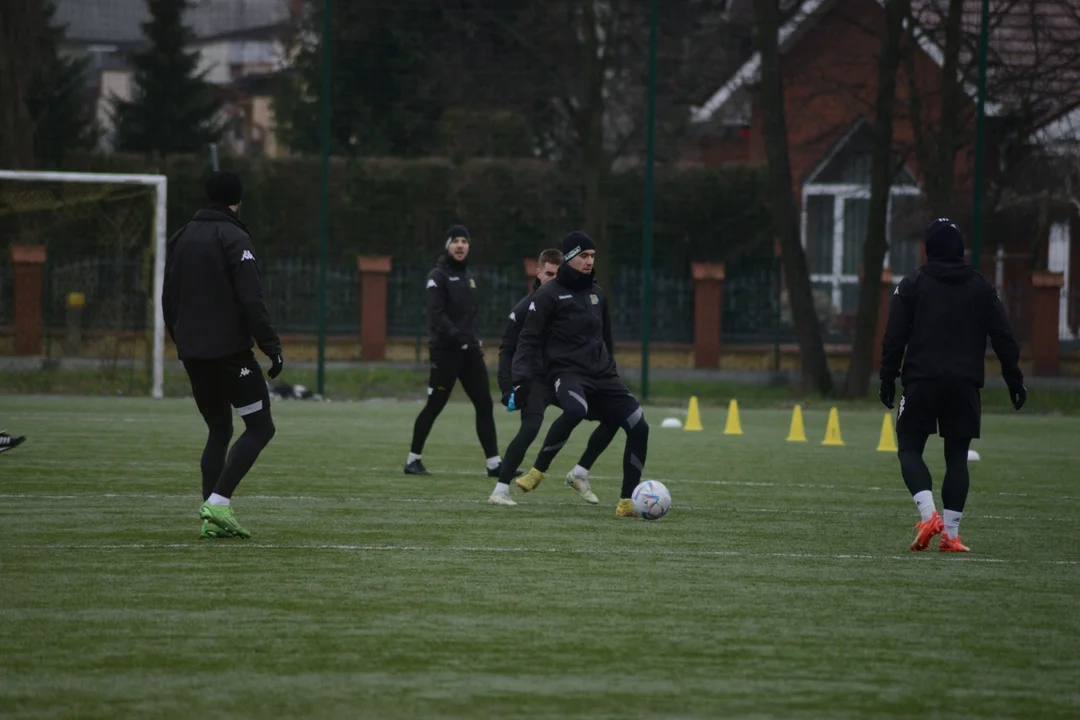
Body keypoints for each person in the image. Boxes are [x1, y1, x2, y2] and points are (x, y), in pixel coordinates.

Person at [880, 217, 1026, 553]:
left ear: (929, 249)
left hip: (922, 380)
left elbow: (894, 337)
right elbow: (1003, 335)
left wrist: (888, 377)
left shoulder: (913, 284)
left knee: (909, 449)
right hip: (964, 384)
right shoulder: (980, 286)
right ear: (960, 250)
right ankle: (951, 534)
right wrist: (1014, 379)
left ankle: (929, 516)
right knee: (957, 457)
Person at [163, 170, 282, 540]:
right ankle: (218, 502)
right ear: (238, 199)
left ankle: (209, 519)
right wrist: (271, 347)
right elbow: (251, 299)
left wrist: (180, 339)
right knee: (261, 427)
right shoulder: (234, 236)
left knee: (219, 428)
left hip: (194, 353)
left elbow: (169, 295)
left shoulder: (181, 236)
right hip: (229, 355)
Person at [510, 231, 650, 518]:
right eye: (584, 256)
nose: (589, 261)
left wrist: (611, 370)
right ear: (570, 257)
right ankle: (538, 471)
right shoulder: (548, 294)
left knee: (639, 425)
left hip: (603, 376)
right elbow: (528, 339)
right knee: (575, 409)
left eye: (592, 256)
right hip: (568, 373)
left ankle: (626, 503)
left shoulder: (598, 293)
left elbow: (606, 338)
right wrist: (521, 377)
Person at [488, 248, 619, 507]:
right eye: (548, 273)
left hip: (567, 377)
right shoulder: (526, 307)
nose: (553, 278)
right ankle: (500, 490)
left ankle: (580, 472)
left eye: (557, 273)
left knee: (613, 416)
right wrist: (507, 388)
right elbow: (508, 349)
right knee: (531, 427)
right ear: (538, 273)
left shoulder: (572, 300)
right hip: (537, 380)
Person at [405, 225, 503, 477]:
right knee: (435, 404)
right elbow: (435, 315)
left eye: (464, 241)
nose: (460, 245)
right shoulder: (437, 277)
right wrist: (458, 338)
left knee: (484, 403)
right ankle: (412, 460)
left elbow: (469, 315)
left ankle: (494, 464)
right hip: (446, 354)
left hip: (470, 354)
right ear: (447, 246)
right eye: (456, 241)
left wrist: (472, 339)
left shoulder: (470, 277)